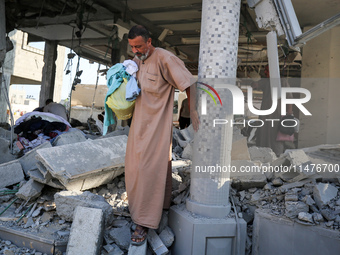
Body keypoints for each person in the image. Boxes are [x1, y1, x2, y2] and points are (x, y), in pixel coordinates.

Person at [125, 25, 199, 246]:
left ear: (149, 42)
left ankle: (144, 221)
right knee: (134, 168)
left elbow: (189, 83)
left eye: (139, 46)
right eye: (132, 47)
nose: (135, 50)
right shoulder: (137, 61)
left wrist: (192, 111)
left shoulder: (165, 58)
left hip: (156, 127)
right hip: (138, 126)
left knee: (147, 169)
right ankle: (161, 205)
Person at [251, 65, 295, 156]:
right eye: (266, 71)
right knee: (263, 134)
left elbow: (289, 98)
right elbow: (255, 85)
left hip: (278, 114)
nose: (267, 73)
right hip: (265, 114)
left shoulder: (283, 82)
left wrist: (289, 114)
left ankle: (276, 156)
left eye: (268, 70)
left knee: (276, 136)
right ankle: (262, 155)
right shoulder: (266, 81)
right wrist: (253, 77)